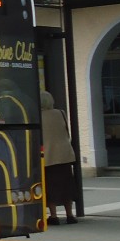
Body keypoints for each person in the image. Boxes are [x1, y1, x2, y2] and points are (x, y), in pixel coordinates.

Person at [41, 90, 77, 224]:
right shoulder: (60, 113)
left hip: (48, 155)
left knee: (50, 186)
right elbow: (66, 131)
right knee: (66, 185)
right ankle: (70, 215)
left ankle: (54, 216)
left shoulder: (38, 116)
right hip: (64, 154)